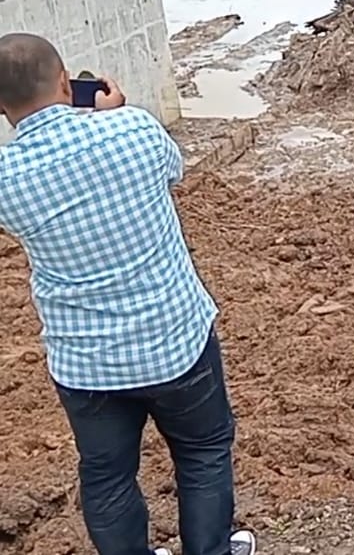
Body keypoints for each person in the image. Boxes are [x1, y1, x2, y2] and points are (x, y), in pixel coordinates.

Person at [0, 33, 256, 555]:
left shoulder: (5, 178)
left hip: (85, 363)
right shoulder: (133, 128)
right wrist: (111, 115)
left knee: (108, 475)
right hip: (176, 339)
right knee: (203, 452)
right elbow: (174, 169)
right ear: (67, 81)